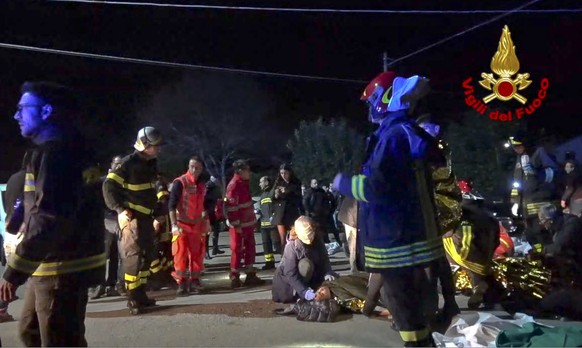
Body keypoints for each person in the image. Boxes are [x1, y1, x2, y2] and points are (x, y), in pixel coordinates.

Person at [332, 71, 440, 347]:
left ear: (385, 99)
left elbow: (375, 188)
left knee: (403, 306)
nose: (370, 108)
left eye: (372, 101)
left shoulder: (393, 135)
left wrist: (342, 182)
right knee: (407, 306)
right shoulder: (398, 132)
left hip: (394, 239)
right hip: (399, 235)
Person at [0, 81, 106, 346]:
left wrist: (14, 272)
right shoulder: (64, 150)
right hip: (51, 262)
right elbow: (36, 202)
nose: (16, 115)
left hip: (61, 266)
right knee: (30, 331)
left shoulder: (57, 154)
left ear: (46, 111)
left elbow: (49, 216)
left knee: (57, 340)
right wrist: (15, 223)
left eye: (23, 108)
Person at [103, 126, 165, 314]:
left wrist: (159, 211)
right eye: (155, 145)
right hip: (133, 219)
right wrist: (120, 210)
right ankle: (132, 299)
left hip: (147, 217)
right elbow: (108, 186)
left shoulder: (150, 163)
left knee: (146, 257)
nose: (159, 148)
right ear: (144, 145)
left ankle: (141, 295)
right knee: (133, 259)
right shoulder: (127, 163)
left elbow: (155, 188)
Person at [508, 133, 559, 252]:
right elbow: (517, 180)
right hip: (527, 204)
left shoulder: (539, 152)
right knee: (530, 234)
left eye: (518, 146)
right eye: (514, 147)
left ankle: (549, 256)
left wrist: (537, 173)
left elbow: (554, 172)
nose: (516, 149)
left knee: (541, 233)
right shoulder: (520, 157)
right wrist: (515, 202)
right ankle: (539, 255)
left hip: (540, 202)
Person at [168, 156, 210, 296]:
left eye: (197, 167)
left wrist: (206, 221)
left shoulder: (202, 185)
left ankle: (195, 280)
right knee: (180, 254)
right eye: (191, 166)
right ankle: (181, 282)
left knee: (197, 254)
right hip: (182, 225)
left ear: (201, 168)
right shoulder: (180, 182)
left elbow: (204, 205)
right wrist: (174, 225)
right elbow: (172, 205)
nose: (194, 170)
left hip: (197, 225)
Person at [272, 216, 335, 303]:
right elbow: (290, 273)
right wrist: (304, 292)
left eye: (311, 234)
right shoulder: (291, 246)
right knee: (306, 265)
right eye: (306, 235)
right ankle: (299, 295)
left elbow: (324, 259)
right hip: (288, 286)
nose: (309, 238)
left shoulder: (318, 240)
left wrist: (328, 272)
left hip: (311, 277)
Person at [225, 159, 264, 288]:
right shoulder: (234, 185)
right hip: (239, 226)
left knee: (250, 248)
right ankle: (235, 277)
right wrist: (236, 225)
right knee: (237, 250)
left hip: (247, 224)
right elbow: (232, 207)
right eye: (247, 170)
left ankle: (249, 274)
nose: (249, 172)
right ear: (240, 171)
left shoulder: (243, 183)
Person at [90, 156, 124, 300]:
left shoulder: (123, 182)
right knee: (105, 254)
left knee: (117, 254)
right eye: (117, 164)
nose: (119, 167)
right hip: (106, 221)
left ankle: (112, 284)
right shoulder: (104, 181)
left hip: (120, 220)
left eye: (121, 164)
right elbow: (97, 202)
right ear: (111, 164)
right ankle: (99, 285)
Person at [271, 164, 303, 251]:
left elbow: (299, 197)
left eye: (285, 173)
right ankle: (284, 256)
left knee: (295, 235)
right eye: (281, 173)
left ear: (290, 173)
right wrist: (276, 195)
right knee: (283, 238)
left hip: (292, 213)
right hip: (280, 213)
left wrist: (288, 191)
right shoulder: (278, 182)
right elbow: (271, 198)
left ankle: (296, 253)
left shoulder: (295, 183)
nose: (283, 175)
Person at [258, 175, 280, 270]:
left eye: (261, 182)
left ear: (266, 182)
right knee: (266, 245)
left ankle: (285, 261)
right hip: (263, 226)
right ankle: (269, 262)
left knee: (277, 243)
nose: (259, 184)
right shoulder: (262, 196)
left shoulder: (272, 192)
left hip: (272, 225)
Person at [205, 175, 225, 256]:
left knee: (216, 231)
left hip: (216, 212)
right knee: (207, 233)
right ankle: (206, 252)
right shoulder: (209, 185)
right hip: (209, 212)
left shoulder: (217, 186)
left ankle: (215, 249)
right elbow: (204, 198)